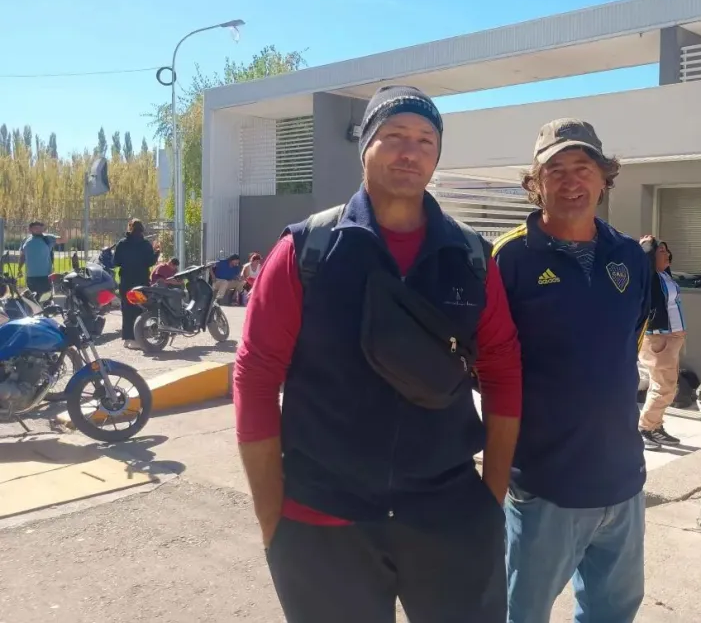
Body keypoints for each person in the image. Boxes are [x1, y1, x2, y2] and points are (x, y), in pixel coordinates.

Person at [234, 84, 521, 623]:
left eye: (425, 140)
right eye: (394, 136)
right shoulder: (307, 250)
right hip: (324, 524)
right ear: (364, 146)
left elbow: (503, 371)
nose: (410, 152)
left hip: (451, 520)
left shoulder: (471, 257)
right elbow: (254, 377)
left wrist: (492, 499)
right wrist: (273, 519)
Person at [494, 118, 651, 623]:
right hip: (546, 486)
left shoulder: (630, 256)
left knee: (614, 613)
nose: (570, 181)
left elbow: (628, 344)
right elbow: (486, 368)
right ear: (535, 183)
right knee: (522, 613)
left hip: (622, 481)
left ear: (604, 178)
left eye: (582, 167)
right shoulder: (508, 259)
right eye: (555, 169)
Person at [637, 236, 686, 447]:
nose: (667, 254)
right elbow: (643, 260)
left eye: (667, 250)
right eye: (661, 251)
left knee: (667, 386)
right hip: (659, 337)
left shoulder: (664, 275)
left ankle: (655, 426)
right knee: (663, 387)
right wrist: (648, 246)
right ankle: (645, 428)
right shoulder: (648, 278)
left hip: (672, 337)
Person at [113, 219, 160, 349]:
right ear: (142, 230)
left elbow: (116, 262)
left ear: (129, 228)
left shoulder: (122, 243)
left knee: (127, 309)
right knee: (139, 309)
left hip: (126, 281)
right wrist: (157, 252)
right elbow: (150, 262)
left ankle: (127, 338)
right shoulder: (145, 245)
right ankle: (137, 338)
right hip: (141, 281)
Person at [18, 221, 59, 297]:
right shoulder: (25, 240)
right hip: (30, 276)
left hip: (45, 276)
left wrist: (62, 227)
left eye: (40, 228)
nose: (39, 230)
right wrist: (19, 268)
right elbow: (22, 256)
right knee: (33, 299)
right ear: (30, 229)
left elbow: (64, 239)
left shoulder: (48, 238)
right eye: (36, 228)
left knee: (45, 299)